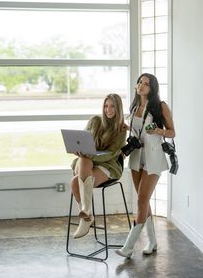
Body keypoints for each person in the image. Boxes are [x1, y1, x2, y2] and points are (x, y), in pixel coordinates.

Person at [116, 73, 175, 258]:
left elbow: (172, 132)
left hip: (153, 158)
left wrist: (158, 130)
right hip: (136, 157)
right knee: (144, 200)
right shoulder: (134, 106)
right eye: (140, 82)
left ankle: (128, 246)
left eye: (146, 84)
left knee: (142, 200)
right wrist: (128, 128)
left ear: (152, 88)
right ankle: (152, 241)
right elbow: (137, 131)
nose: (141, 86)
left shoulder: (160, 106)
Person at [71, 93, 127, 239]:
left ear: (118, 108)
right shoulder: (95, 121)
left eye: (112, 106)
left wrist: (88, 155)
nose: (108, 110)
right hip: (87, 161)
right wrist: (79, 150)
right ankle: (87, 211)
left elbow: (112, 153)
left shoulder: (121, 129)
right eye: (106, 106)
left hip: (109, 164)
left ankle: (86, 217)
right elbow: (82, 140)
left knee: (74, 182)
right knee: (84, 160)